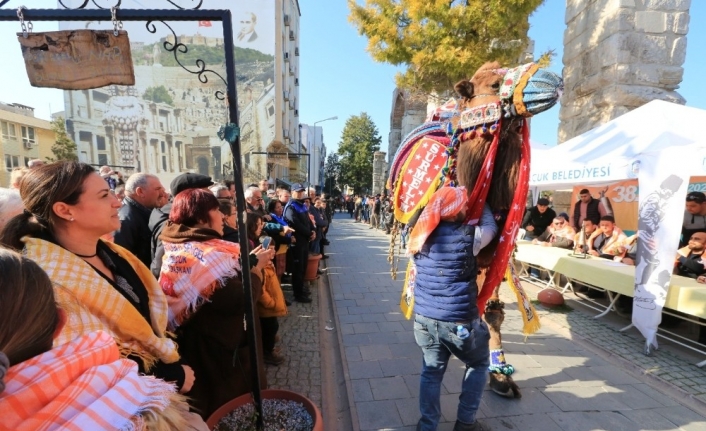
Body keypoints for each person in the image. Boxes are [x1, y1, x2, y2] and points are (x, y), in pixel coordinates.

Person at [0, 161, 191, 394]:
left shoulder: (114, 254)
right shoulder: (44, 279)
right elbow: (75, 366)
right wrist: (169, 376)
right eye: (103, 195)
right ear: (65, 210)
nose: (117, 201)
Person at [0, 249, 207, 431]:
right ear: (61, 322)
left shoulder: (112, 254)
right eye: (104, 200)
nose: (116, 203)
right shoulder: (124, 387)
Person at [158, 189, 271, 418]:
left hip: (202, 344)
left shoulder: (180, 244)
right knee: (229, 410)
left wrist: (249, 263)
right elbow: (240, 299)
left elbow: (226, 275)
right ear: (201, 218)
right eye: (216, 210)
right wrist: (256, 271)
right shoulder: (203, 254)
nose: (222, 215)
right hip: (222, 353)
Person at [408, 187, 494, 431]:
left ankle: (427, 426)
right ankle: (466, 423)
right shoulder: (469, 237)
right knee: (478, 363)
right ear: (455, 210)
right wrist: (483, 197)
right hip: (458, 320)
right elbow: (491, 229)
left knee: (431, 371)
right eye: (464, 205)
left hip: (424, 318)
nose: (467, 209)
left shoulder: (418, 234)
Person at [149, 172, 213, 277]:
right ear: (190, 196)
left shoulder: (184, 216)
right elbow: (160, 266)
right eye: (206, 193)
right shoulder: (173, 222)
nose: (211, 196)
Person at [246, 213, 287, 366]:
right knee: (268, 329)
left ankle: (268, 350)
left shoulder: (267, 260)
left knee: (271, 328)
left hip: (269, 305)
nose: (261, 226)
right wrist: (270, 303)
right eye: (258, 224)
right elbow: (260, 286)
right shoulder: (258, 256)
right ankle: (266, 353)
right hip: (266, 307)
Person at [114, 173, 167, 268]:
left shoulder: (147, 210)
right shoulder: (125, 220)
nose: (163, 193)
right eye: (158, 189)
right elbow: (121, 261)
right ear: (140, 192)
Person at [284, 183, 314, 303]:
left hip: (305, 241)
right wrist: (309, 233)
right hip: (297, 241)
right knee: (298, 269)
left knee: (303, 267)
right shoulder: (290, 206)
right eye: (298, 191)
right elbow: (295, 223)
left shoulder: (302, 205)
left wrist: (312, 230)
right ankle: (298, 294)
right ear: (292, 192)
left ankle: (301, 289)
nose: (300, 193)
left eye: (301, 191)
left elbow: (308, 221)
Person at [267, 198, 295, 280]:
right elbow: (275, 237)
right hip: (277, 249)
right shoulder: (271, 219)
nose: (280, 209)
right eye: (277, 207)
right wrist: (289, 240)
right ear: (272, 209)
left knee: (280, 273)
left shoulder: (282, 218)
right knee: (276, 274)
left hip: (284, 249)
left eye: (281, 207)